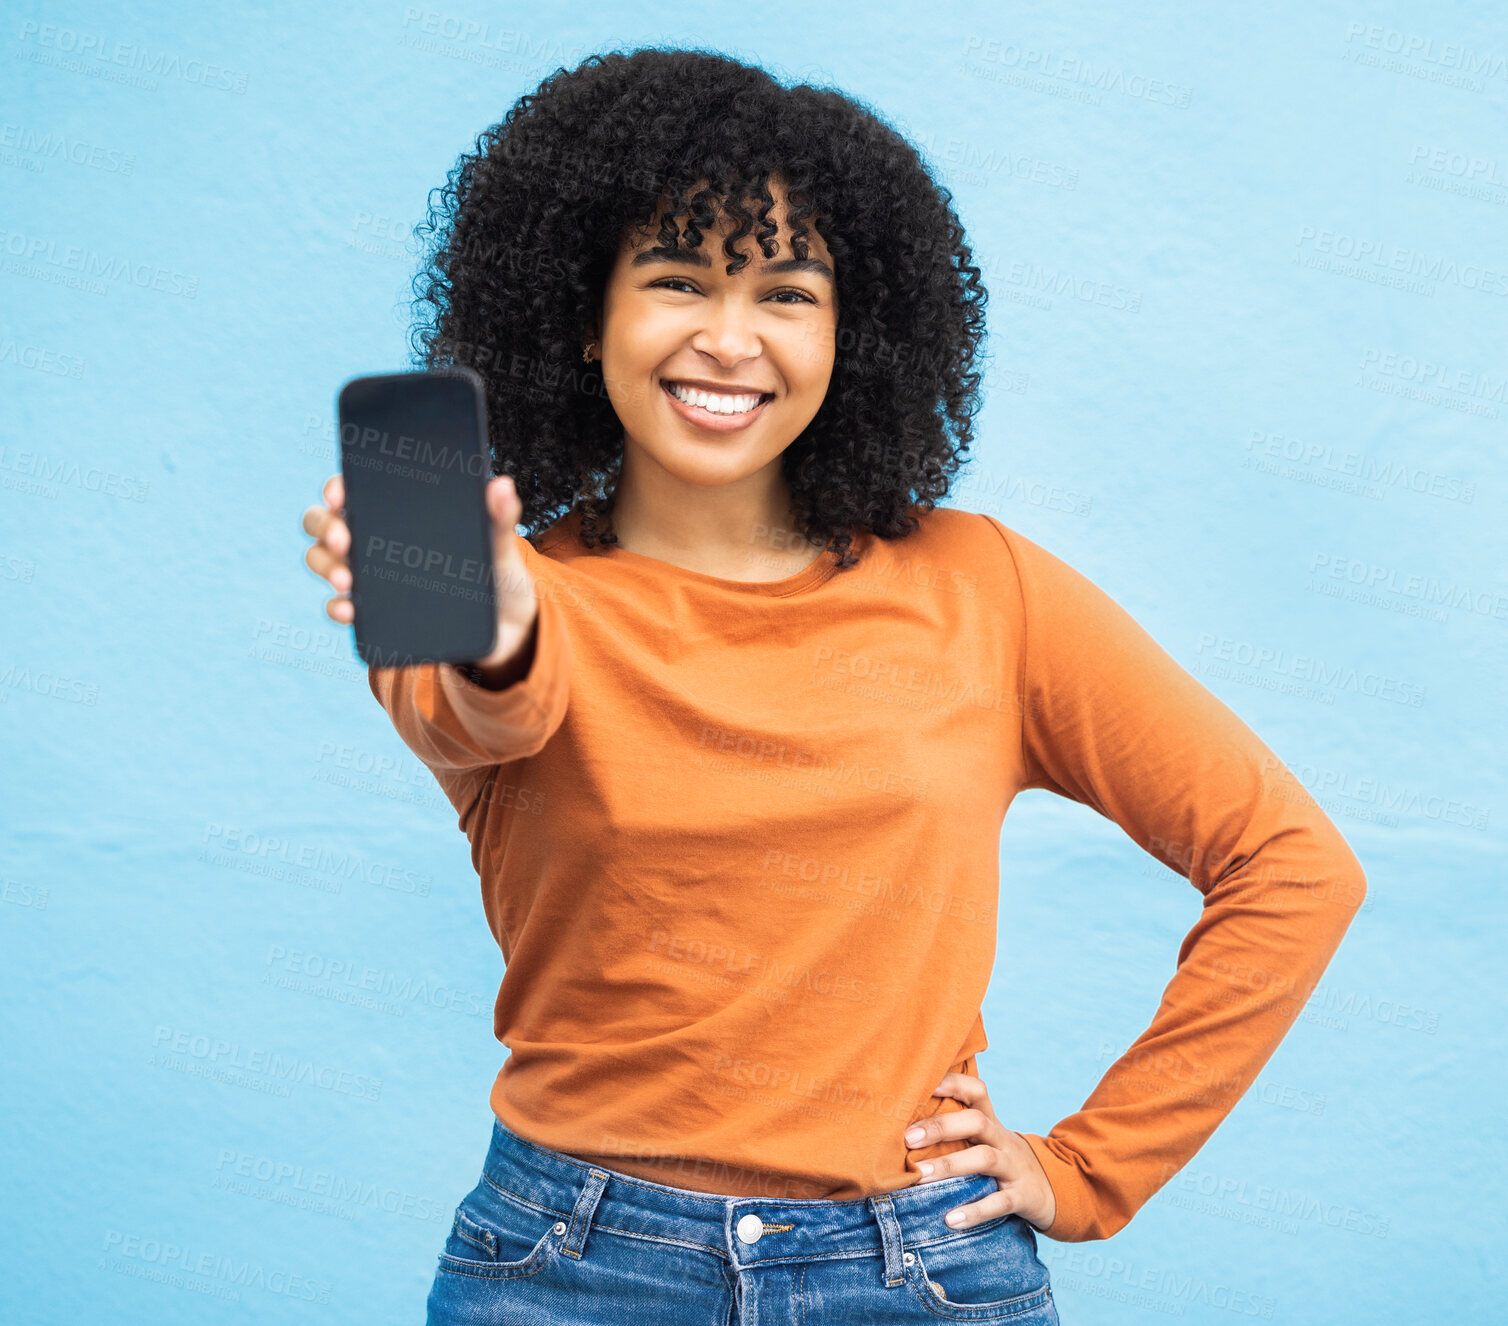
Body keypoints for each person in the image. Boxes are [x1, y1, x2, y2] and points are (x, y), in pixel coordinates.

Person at [301, 47, 1366, 1325]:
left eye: (786, 293)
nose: (729, 338)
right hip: (571, 1265)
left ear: (850, 332)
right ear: (584, 318)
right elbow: (483, 707)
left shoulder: (987, 589)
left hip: (917, 1268)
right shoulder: (495, 600)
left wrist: (1086, 1169)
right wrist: (505, 618)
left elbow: (1290, 865)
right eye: (675, 280)